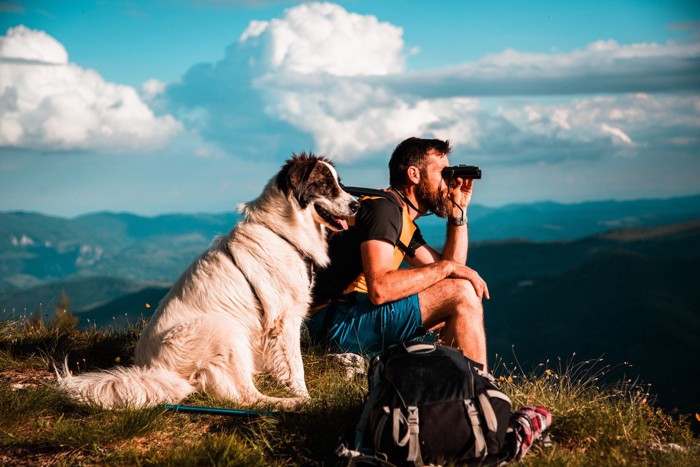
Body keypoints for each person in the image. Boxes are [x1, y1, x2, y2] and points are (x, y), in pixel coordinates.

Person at [307, 137, 490, 369]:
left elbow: (453, 272)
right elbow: (380, 289)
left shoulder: (400, 217)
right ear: (414, 175)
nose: (448, 183)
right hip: (334, 323)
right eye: (443, 174)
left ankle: (453, 390)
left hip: (349, 316)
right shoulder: (383, 210)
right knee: (461, 294)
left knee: (457, 291)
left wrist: (459, 212)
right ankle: (479, 391)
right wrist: (446, 268)